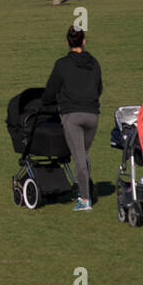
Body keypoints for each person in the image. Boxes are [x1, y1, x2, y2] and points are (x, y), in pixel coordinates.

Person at [43, 25, 102, 211]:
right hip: (92, 115)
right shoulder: (94, 63)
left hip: (72, 116)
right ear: (83, 41)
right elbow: (99, 88)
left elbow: (50, 90)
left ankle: (85, 200)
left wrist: (47, 102)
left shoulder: (62, 64)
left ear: (67, 42)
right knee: (82, 155)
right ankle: (87, 190)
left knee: (79, 158)